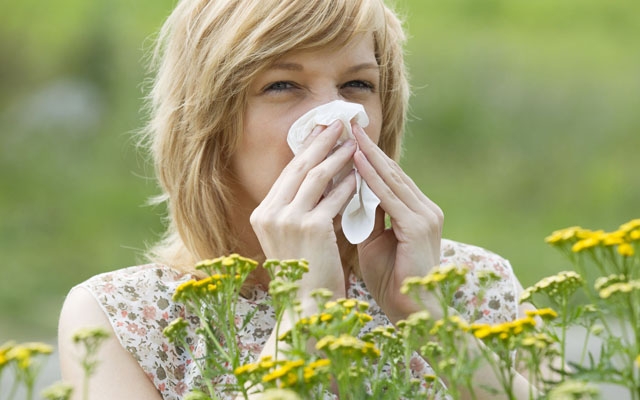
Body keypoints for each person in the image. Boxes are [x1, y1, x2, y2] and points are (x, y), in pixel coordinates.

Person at [58, 0, 540, 399]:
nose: (337, 120)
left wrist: (430, 321)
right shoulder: (122, 317)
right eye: (282, 85)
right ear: (210, 123)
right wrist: (305, 312)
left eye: (357, 85)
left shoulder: (474, 285)